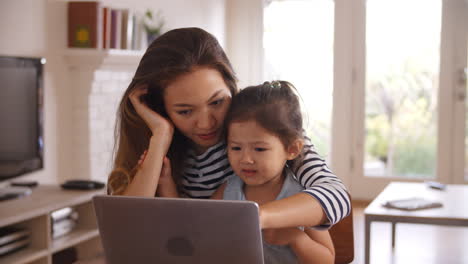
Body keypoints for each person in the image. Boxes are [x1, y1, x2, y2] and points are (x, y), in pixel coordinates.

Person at [107, 27, 350, 229]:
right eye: (185, 111)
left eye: (217, 102)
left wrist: (254, 217)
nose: (206, 123)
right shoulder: (160, 144)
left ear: (231, 86)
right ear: (162, 109)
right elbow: (127, 227)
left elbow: (337, 196)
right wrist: (160, 137)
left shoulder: (264, 129)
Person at [211, 80, 335, 264]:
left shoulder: (302, 199)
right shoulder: (228, 191)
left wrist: (296, 238)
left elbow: (327, 259)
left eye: (259, 149)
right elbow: (199, 232)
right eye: (236, 148)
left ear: (292, 149)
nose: (246, 159)